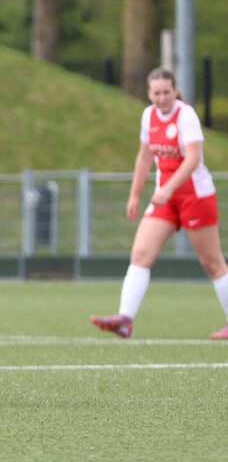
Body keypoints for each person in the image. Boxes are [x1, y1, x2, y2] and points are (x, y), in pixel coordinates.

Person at [91, 67, 228, 340]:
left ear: (175, 91)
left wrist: (168, 188)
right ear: (149, 93)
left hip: (195, 197)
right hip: (164, 198)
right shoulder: (148, 116)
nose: (162, 97)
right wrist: (134, 194)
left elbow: (193, 159)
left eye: (167, 92)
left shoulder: (186, 115)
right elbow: (144, 157)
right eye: (156, 93)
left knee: (212, 262)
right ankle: (124, 319)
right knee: (140, 254)